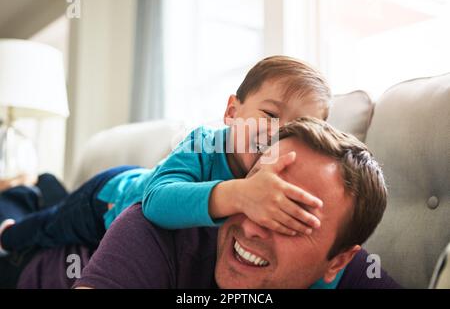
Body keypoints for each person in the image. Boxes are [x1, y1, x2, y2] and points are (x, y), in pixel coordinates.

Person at [0, 56, 330, 257]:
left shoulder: (283, 176)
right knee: (48, 228)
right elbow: (156, 201)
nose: (278, 134)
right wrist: (238, 195)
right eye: (270, 114)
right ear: (232, 111)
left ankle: (41, 186)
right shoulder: (204, 144)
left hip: (130, 184)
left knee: (54, 199)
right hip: (108, 198)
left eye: (298, 128)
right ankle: (11, 228)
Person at [50, 117, 396, 288]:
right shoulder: (156, 227)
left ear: (337, 260)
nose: (251, 223)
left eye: (290, 215)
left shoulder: (350, 270)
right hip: (97, 208)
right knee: (36, 210)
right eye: (259, 188)